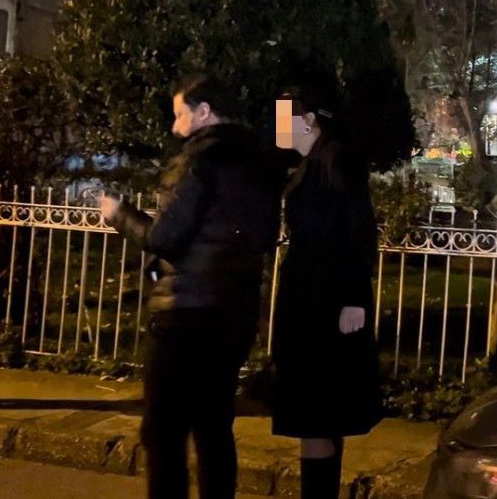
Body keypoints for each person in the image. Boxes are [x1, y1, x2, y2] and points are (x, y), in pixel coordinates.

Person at [99, 74, 282, 499]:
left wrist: (120, 214)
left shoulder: (198, 159)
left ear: (204, 112)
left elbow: (165, 238)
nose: (174, 125)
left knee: (163, 430)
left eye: (180, 114)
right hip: (234, 312)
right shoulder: (261, 164)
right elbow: (263, 238)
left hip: (184, 312)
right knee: (214, 425)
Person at [272, 85, 383, 499]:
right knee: (319, 416)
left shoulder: (336, 161)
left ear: (309, 121)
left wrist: (354, 297)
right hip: (310, 303)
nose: (277, 128)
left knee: (315, 416)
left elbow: (359, 230)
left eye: (283, 118)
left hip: (324, 305)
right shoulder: (311, 164)